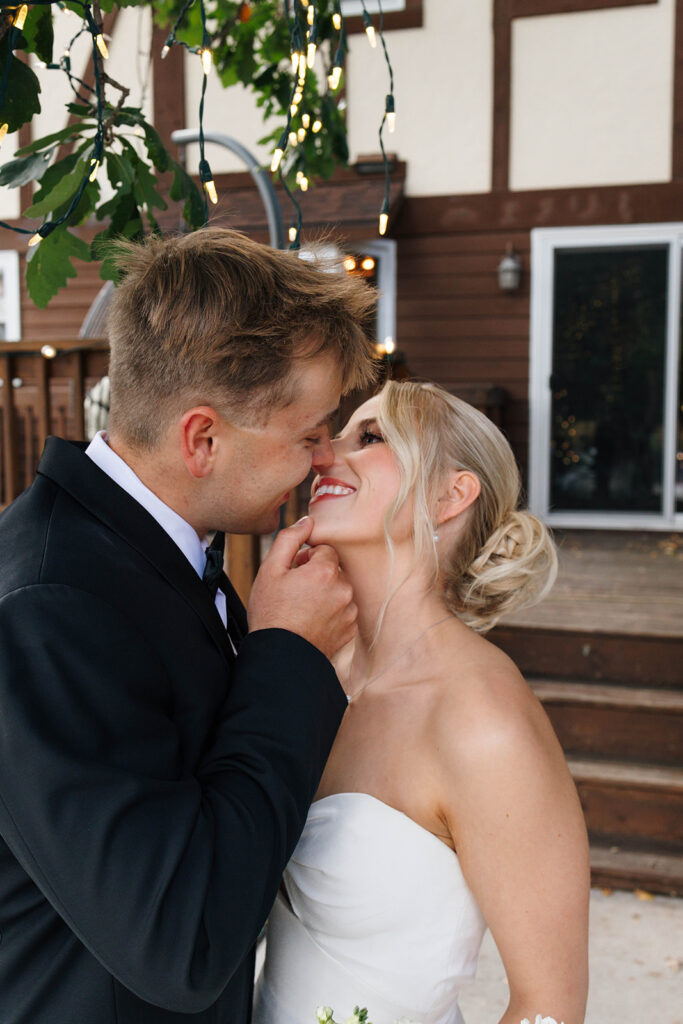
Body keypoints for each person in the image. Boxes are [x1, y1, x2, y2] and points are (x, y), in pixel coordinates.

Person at [0, 228, 378, 1024]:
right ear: (201, 438)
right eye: (308, 434)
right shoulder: (50, 607)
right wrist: (285, 655)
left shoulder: (154, 551)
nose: (323, 461)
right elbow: (180, 944)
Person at [254, 380, 591, 1024]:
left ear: (449, 495)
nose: (325, 454)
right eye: (339, 434)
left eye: (372, 437)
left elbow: (550, 1006)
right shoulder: (310, 668)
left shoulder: (482, 723)